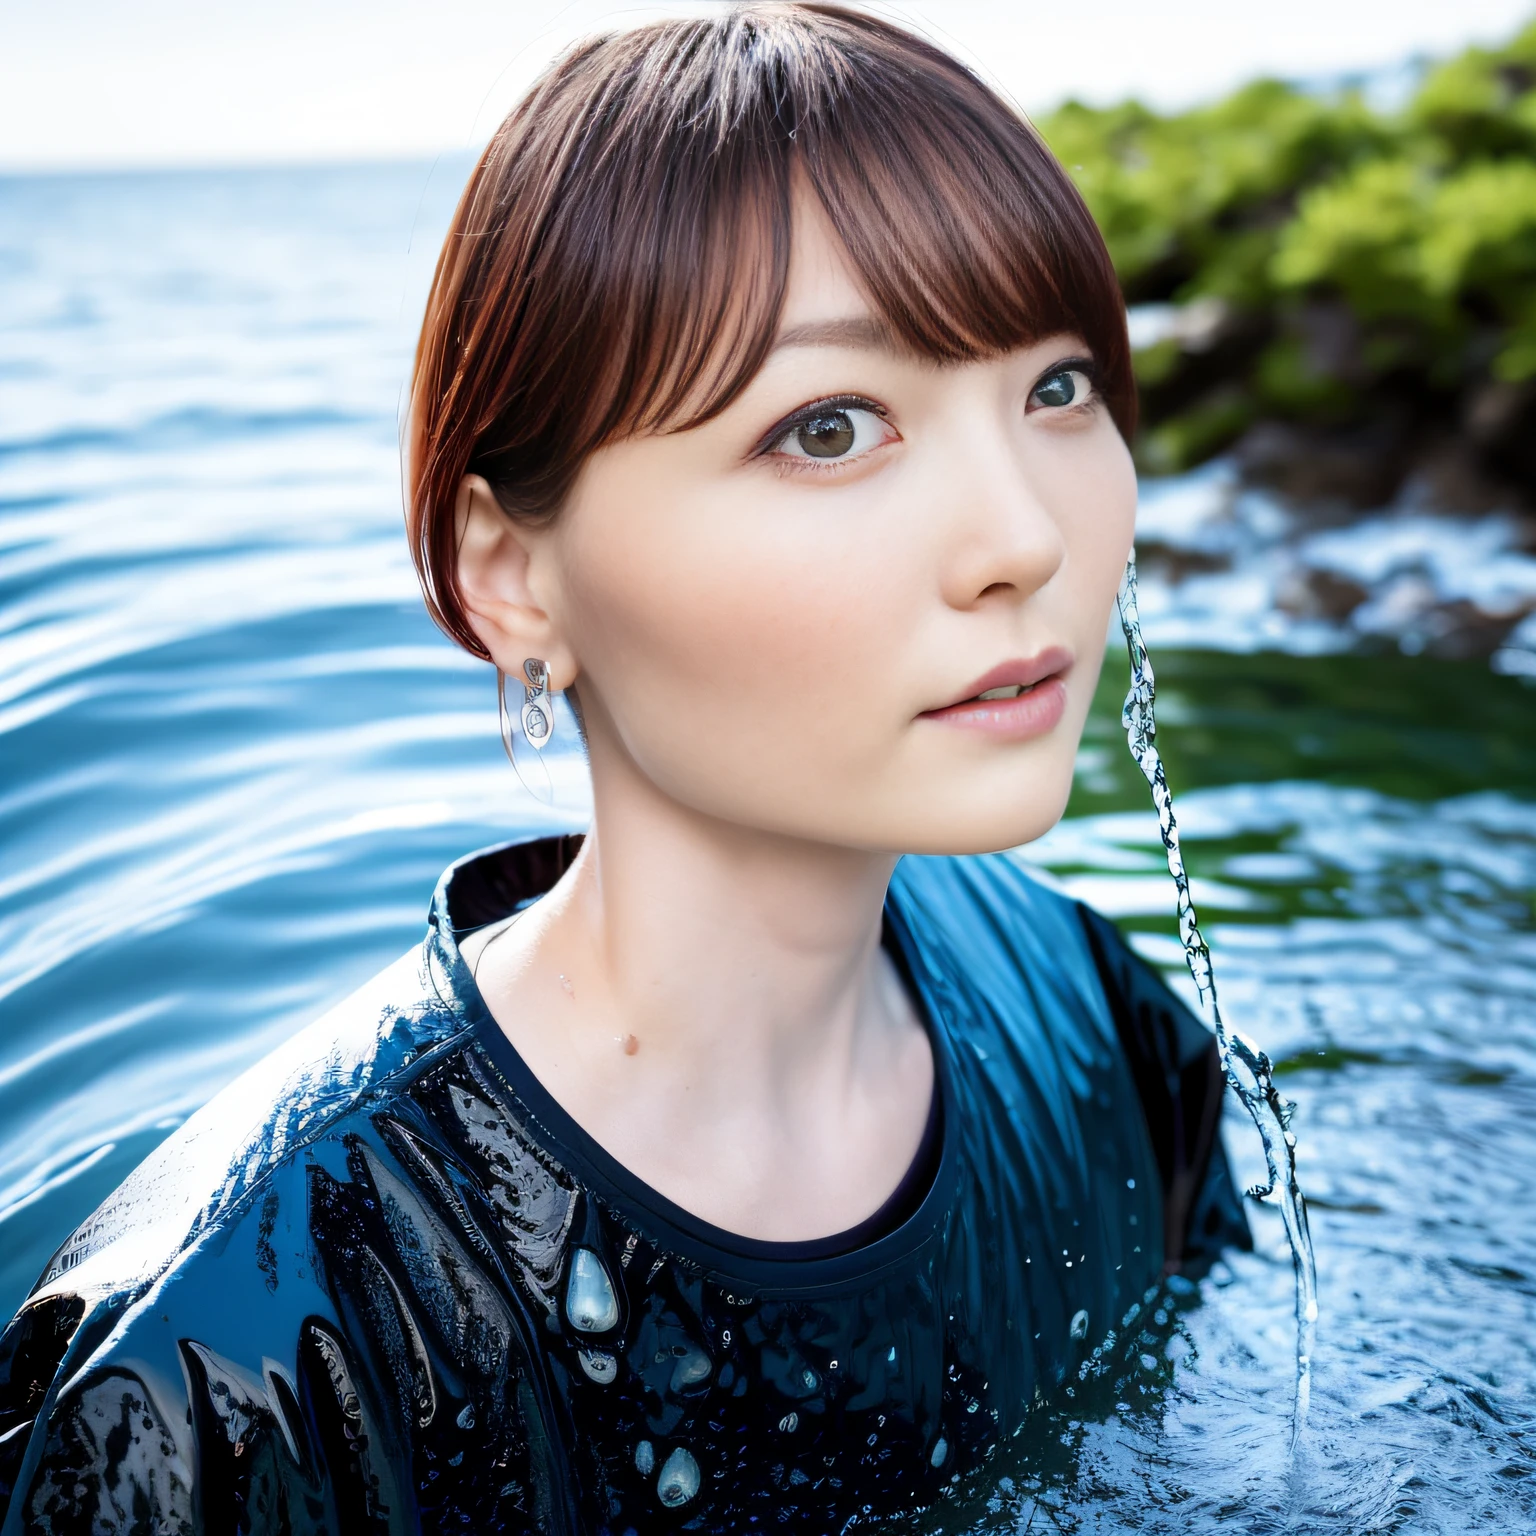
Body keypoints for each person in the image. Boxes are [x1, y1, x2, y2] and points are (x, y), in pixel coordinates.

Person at [0, 6, 1249, 1531]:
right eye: (832, 425)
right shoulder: (238, 1368)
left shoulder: (1107, 1028)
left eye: (1057, 388)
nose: (1026, 541)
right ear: (513, 577)